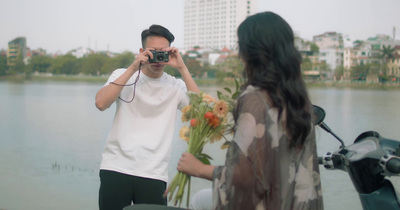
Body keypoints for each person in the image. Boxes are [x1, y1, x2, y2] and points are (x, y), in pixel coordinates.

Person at [175, 12, 324, 209]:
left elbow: (245, 177)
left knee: (198, 201)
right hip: (295, 203)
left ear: (250, 52)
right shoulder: (298, 97)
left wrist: (199, 168)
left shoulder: (255, 98)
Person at [95, 24, 200, 210]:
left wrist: (182, 68)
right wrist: (133, 67)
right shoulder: (122, 75)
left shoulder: (175, 86)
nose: (158, 58)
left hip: (154, 173)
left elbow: (200, 111)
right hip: (116, 167)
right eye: (154, 52)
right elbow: (101, 103)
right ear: (142, 51)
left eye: (164, 52)